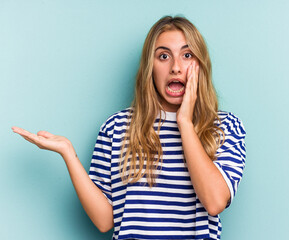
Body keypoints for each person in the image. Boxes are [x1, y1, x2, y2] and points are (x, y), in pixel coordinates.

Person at [12, 16, 246, 240]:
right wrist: (68, 153)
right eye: (163, 56)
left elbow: (214, 202)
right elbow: (104, 221)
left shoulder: (225, 127)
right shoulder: (116, 128)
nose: (176, 67)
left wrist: (184, 122)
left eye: (187, 55)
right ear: (150, 67)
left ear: (200, 64)